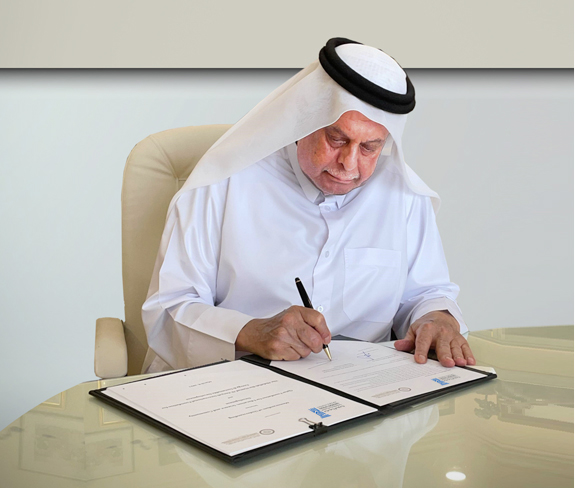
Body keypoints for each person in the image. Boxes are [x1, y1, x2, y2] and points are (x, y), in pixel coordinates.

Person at [142, 38, 474, 372]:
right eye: (337, 139)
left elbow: (425, 293)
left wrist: (437, 320)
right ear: (304, 120)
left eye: (370, 147)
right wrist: (248, 332)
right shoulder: (224, 180)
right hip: (238, 389)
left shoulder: (403, 195)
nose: (349, 163)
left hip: (363, 392)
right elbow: (169, 309)